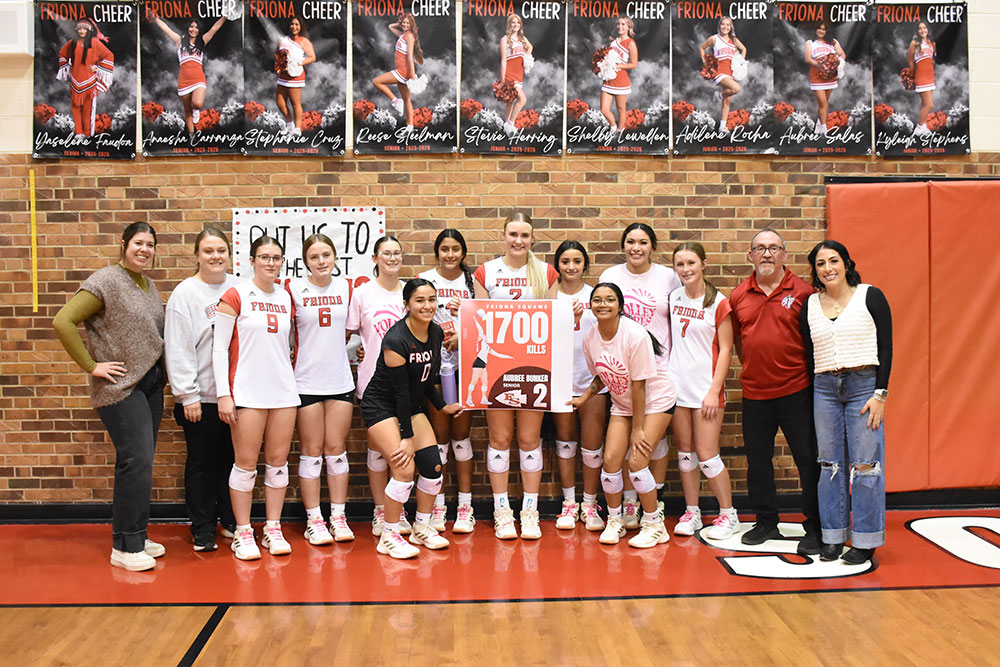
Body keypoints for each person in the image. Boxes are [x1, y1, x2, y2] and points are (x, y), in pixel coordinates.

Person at [53, 222, 165, 572]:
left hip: (149, 385)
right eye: (138, 243)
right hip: (120, 388)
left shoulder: (147, 285)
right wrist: (91, 366)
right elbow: (63, 321)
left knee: (140, 464)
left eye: (150, 244)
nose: (144, 249)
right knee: (136, 460)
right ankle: (126, 548)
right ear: (124, 244)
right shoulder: (105, 280)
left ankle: (135, 535)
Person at [729, 229, 821, 555]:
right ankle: (766, 521)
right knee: (758, 463)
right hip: (755, 394)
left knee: (808, 461)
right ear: (750, 256)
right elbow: (739, 342)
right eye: (760, 248)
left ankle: (816, 526)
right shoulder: (738, 295)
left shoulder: (805, 293)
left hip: (797, 391)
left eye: (773, 248)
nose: (766, 254)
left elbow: (813, 341)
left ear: (784, 254)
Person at [801, 241, 892, 565]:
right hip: (825, 388)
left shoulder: (870, 296)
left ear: (846, 264)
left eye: (833, 261)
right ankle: (833, 536)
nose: (828, 268)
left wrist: (880, 394)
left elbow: (886, 347)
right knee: (829, 464)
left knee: (866, 465)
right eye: (820, 263)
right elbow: (809, 354)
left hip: (863, 386)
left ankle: (866, 540)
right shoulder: (810, 305)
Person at [360, 279, 464, 559]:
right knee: (404, 469)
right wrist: (407, 438)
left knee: (433, 466)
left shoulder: (435, 333)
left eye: (432, 300)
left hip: (411, 405)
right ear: (406, 304)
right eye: (420, 300)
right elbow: (400, 391)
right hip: (382, 405)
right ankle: (389, 535)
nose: (427, 306)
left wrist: (443, 406)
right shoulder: (395, 340)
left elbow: (426, 379)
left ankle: (421, 527)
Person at [213, 235, 299, 560]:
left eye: (276, 258)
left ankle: (273, 528)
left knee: (277, 463)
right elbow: (219, 349)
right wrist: (224, 394)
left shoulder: (286, 296)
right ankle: (243, 531)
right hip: (247, 391)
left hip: (283, 391)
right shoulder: (236, 295)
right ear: (251, 260)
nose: (271, 263)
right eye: (264, 257)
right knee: (246, 464)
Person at [473, 212, 559, 540]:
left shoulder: (546, 273)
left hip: (533, 368)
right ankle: (502, 511)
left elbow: (552, 325)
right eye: (513, 234)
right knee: (499, 439)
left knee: (528, 440)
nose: (518, 241)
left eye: (524, 235)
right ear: (503, 235)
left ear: (532, 238)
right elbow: (479, 324)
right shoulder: (486, 272)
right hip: (497, 368)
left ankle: (530, 511)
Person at [571, 282, 675, 549]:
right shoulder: (591, 338)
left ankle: (655, 525)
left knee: (637, 462)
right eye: (597, 300)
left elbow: (639, 386)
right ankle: (615, 520)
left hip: (655, 401)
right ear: (591, 305)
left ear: (620, 306)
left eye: (609, 299)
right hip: (623, 403)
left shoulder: (634, 335)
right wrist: (584, 397)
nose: (603, 304)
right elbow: (601, 376)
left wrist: (637, 429)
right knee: (610, 462)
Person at [599, 223, 680, 529]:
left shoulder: (668, 277)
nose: (636, 247)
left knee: (651, 444)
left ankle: (653, 504)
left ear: (652, 246)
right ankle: (630, 503)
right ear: (623, 245)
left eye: (643, 242)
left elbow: (676, 319)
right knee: (623, 448)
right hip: (623, 375)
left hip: (659, 370)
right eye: (630, 241)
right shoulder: (611, 275)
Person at [164, 226, 237, 552]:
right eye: (208, 251)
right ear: (197, 255)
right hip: (201, 396)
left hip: (234, 395)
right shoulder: (185, 294)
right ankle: (203, 527)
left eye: (221, 250)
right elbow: (177, 348)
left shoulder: (239, 287)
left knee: (232, 461)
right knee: (202, 463)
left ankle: (230, 520)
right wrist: (187, 395)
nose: (215, 256)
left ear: (229, 254)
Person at [286, 234, 355, 545]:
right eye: (314, 257)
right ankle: (314, 519)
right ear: (305, 262)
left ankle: (338, 516)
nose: (321, 261)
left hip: (340, 380)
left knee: (336, 451)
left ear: (335, 257)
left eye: (326, 255)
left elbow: (358, 328)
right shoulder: (292, 289)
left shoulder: (348, 287)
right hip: (306, 381)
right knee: (312, 452)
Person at [669, 243, 739, 540]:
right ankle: (692, 511)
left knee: (708, 456)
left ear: (703, 264)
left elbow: (726, 350)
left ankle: (728, 514)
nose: (685, 269)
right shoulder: (673, 297)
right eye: (680, 264)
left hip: (705, 390)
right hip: (678, 389)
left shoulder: (719, 303)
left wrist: (714, 390)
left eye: (691, 263)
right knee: (685, 455)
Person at [346, 236, 410, 537]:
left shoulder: (410, 292)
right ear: (375, 258)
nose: (392, 258)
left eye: (397, 253)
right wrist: (361, 350)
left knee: (404, 450)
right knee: (377, 450)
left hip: (407, 385)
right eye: (386, 253)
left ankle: (398, 508)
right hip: (373, 385)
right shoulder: (362, 294)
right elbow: (348, 335)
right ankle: (380, 511)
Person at [419, 230, 477, 534]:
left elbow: (486, 324)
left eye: (455, 249)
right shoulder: (425, 279)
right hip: (435, 367)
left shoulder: (473, 282)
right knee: (439, 439)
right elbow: (415, 320)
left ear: (463, 252)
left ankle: (465, 506)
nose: (450, 255)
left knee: (461, 438)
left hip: (466, 367)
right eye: (444, 249)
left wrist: (463, 329)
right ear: (437, 252)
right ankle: (438, 506)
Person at [552, 241, 606, 532]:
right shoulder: (549, 296)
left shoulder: (595, 295)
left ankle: (590, 503)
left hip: (592, 379)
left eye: (577, 261)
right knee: (565, 442)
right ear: (557, 265)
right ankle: (569, 503)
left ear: (585, 264)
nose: (571, 267)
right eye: (565, 261)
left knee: (592, 445)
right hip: (560, 379)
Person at [151, 13, 227, 135]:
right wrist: (154, 18)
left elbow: (215, 28)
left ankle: (196, 110)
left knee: (197, 103)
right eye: (191, 26)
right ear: (187, 28)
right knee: (187, 111)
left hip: (198, 78)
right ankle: (192, 136)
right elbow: (166, 28)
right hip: (184, 80)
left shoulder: (202, 41)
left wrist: (226, 16)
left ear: (199, 30)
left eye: (196, 27)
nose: (193, 29)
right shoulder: (179, 41)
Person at [56, 18, 114, 138]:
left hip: (89, 83)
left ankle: (87, 135)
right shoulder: (73, 43)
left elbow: (109, 55)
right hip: (75, 82)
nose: (82, 31)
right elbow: (62, 53)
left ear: (90, 30)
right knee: (76, 109)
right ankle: (78, 133)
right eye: (80, 29)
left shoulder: (95, 43)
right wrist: (67, 66)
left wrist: (98, 68)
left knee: (88, 112)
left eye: (84, 29)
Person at [372, 13, 424, 134]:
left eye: (408, 23)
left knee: (376, 81)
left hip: (403, 71)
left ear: (411, 25)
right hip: (402, 71)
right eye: (404, 22)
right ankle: (410, 126)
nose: (405, 25)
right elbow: (391, 26)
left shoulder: (409, 36)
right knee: (407, 100)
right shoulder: (403, 35)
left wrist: (413, 75)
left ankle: (395, 101)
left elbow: (410, 57)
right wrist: (400, 23)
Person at [699, 16, 746, 136]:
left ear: (731, 27)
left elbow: (743, 49)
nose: (725, 27)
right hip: (719, 71)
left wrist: (740, 61)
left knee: (727, 101)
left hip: (730, 71)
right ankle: (718, 96)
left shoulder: (734, 40)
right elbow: (702, 48)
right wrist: (706, 63)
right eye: (723, 24)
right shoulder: (714, 38)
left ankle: (722, 127)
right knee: (736, 89)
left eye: (728, 25)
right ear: (719, 26)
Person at [275, 17, 316, 136]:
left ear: (301, 26)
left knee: (295, 103)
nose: (294, 27)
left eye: (297, 24)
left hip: (295, 76)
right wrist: (279, 64)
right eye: (292, 24)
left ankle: (297, 129)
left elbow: (312, 57)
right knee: (280, 102)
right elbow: (277, 53)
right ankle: (289, 125)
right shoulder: (283, 40)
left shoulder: (304, 41)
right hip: (283, 75)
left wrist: (299, 63)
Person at [804, 21, 846, 136]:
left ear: (827, 31)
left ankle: (819, 126)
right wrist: (822, 65)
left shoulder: (833, 42)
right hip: (817, 76)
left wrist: (835, 64)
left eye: (824, 29)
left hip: (830, 76)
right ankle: (823, 129)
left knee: (825, 102)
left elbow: (842, 54)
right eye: (819, 28)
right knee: (822, 102)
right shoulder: (810, 43)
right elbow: (808, 59)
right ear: (815, 29)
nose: (821, 31)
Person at [600, 17, 638, 136]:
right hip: (608, 79)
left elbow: (634, 64)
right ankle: (613, 127)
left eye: (623, 24)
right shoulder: (613, 41)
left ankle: (620, 132)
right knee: (604, 109)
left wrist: (618, 66)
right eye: (618, 24)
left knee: (621, 109)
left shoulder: (631, 43)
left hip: (621, 80)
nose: (620, 26)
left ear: (629, 27)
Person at [500, 13, 533, 135]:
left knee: (510, 101)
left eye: (518, 22)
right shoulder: (504, 40)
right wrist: (503, 80)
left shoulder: (522, 39)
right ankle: (510, 124)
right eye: (513, 22)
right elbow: (503, 61)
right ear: (509, 24)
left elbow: (530, 47)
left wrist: (526, 58)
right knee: (522, 99)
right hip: (509, 74)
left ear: (520, 25)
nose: (516, 25)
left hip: (519, 74)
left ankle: (506, 127)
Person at [908, 21, 936, 136]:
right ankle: (919, 129)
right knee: (929, 104)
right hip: (921, 76)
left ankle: (923, 126)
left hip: (930, 75)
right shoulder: (914, 43)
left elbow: (931, 60)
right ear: (917, 31)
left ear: (927, 29)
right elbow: (910, 60)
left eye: (924, 28)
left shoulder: (931, 43)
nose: (922, 30)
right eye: (920, 28)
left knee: (924, 103)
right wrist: (912, 75)